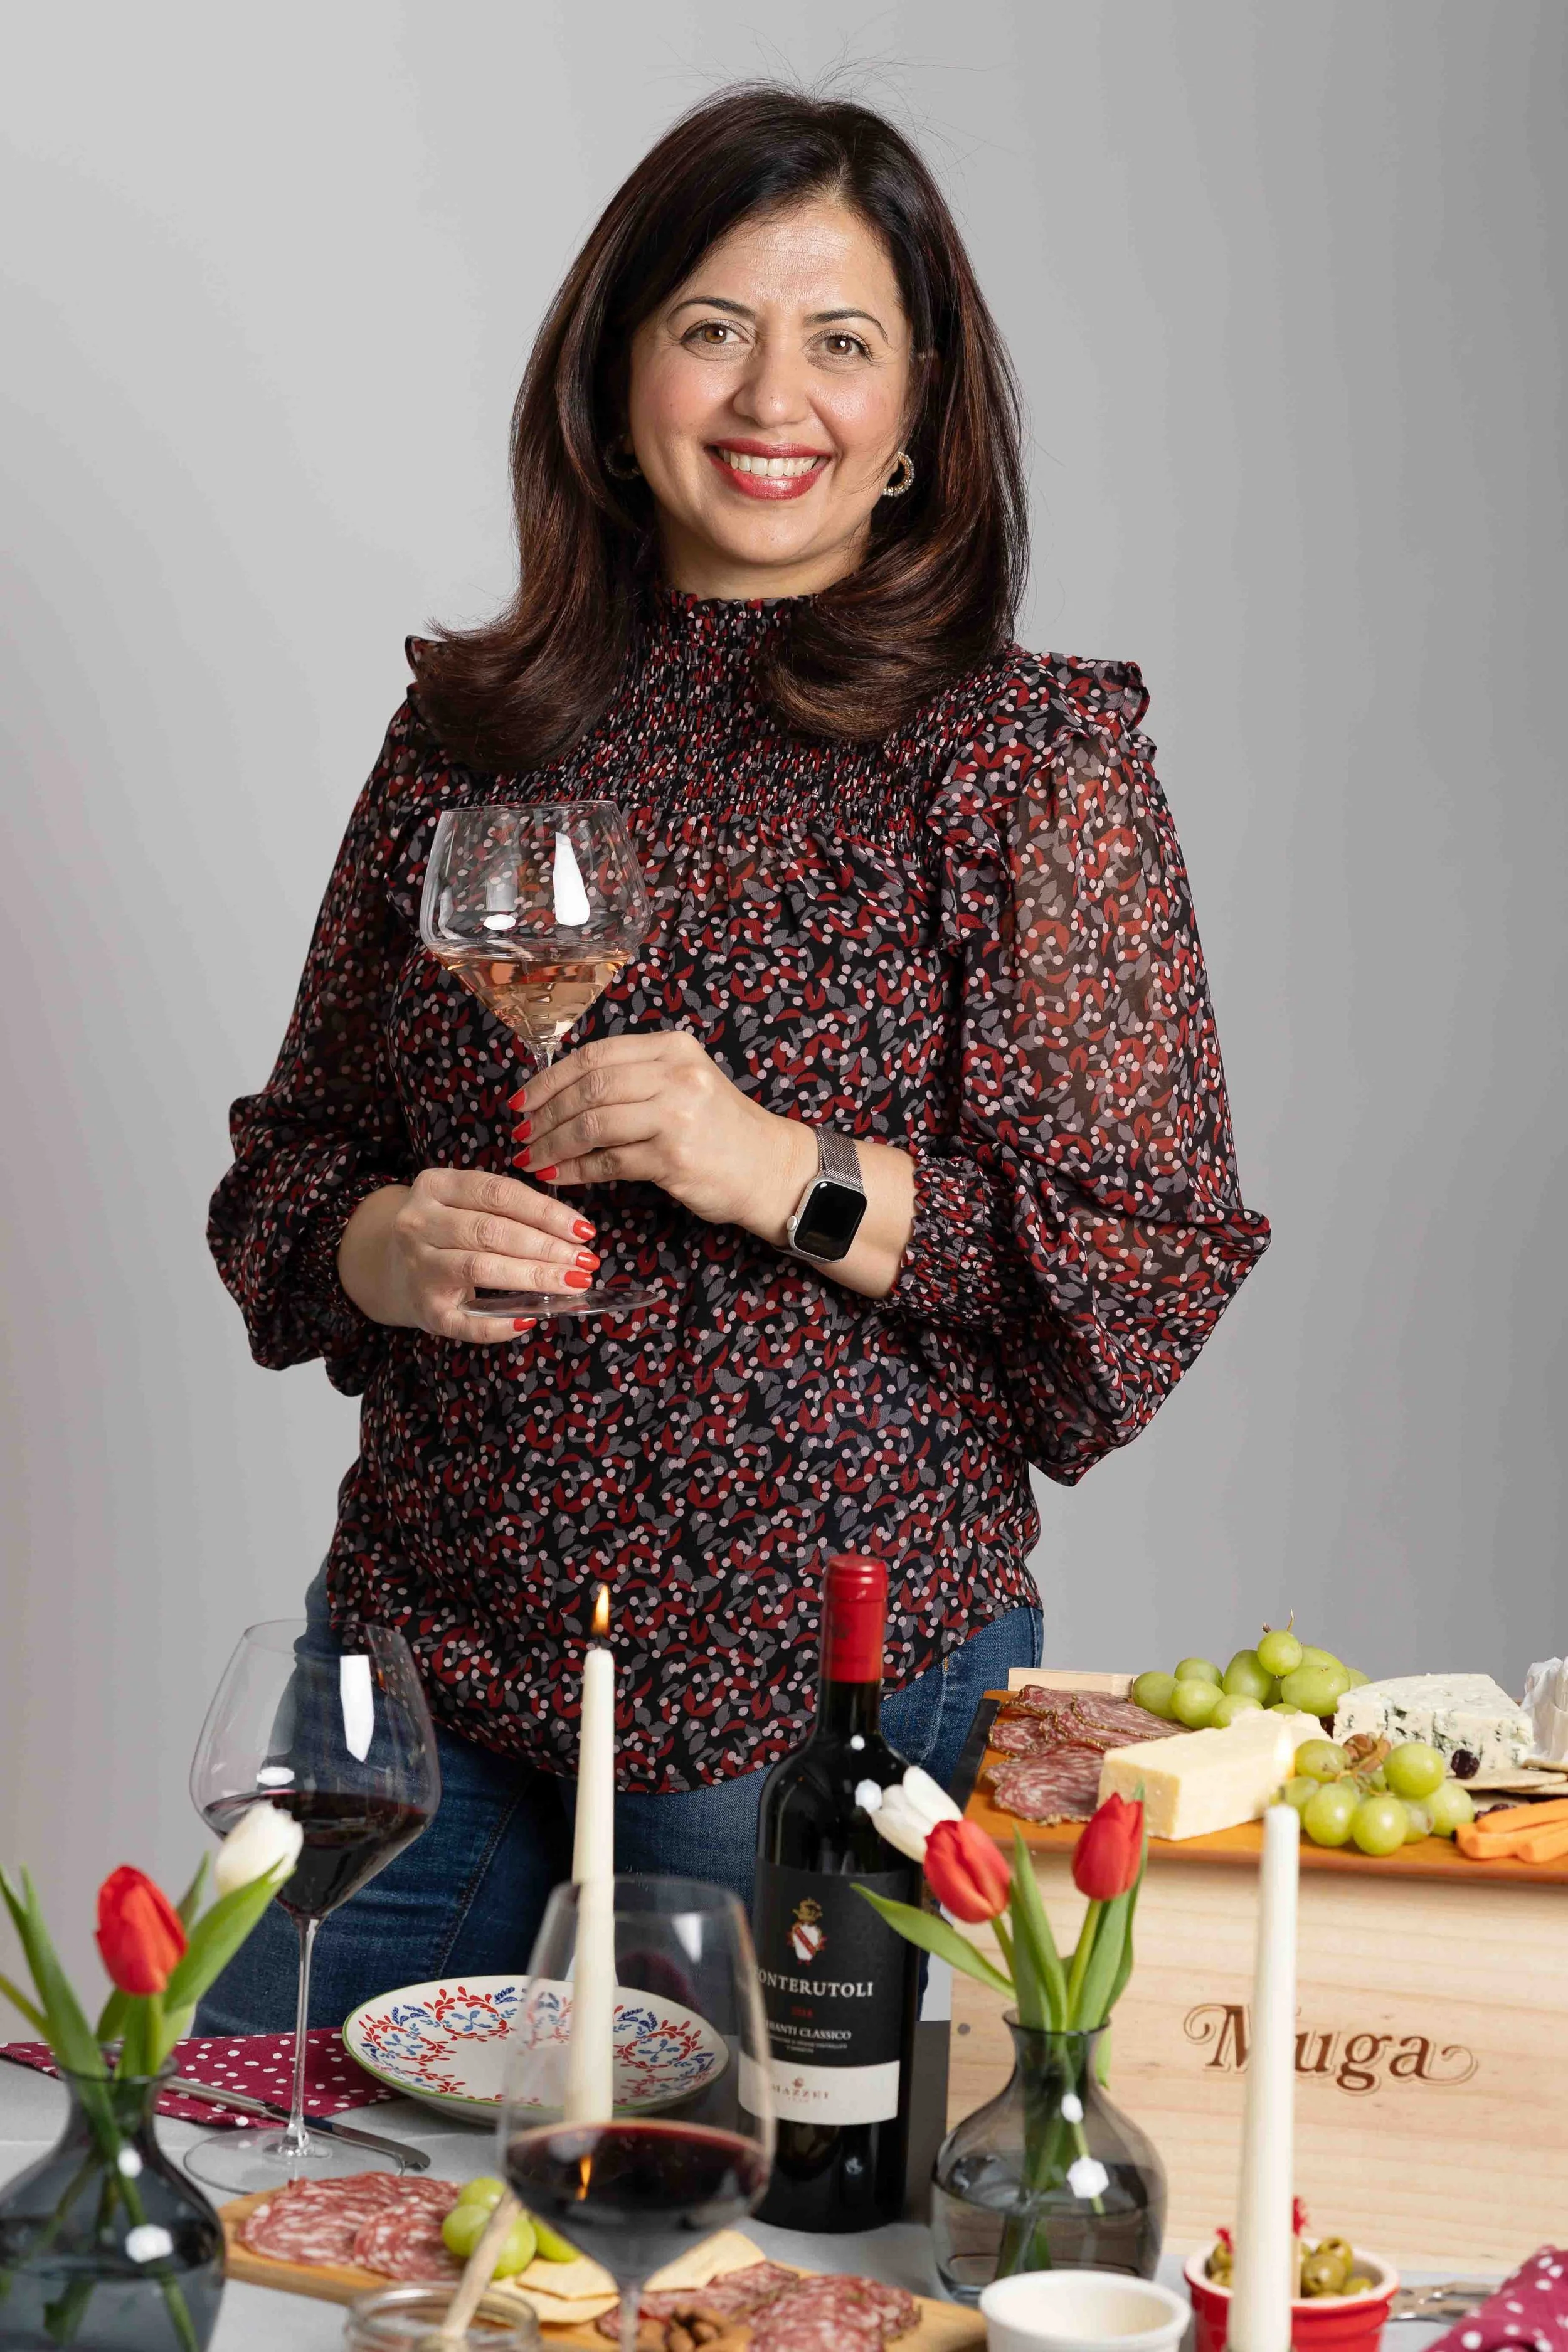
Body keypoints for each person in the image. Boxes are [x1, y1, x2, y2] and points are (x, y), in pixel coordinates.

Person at [201, 85, 1269, 2030]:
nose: (773, 394)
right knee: (255, 2168)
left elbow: (1143, 1249)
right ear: (617, 378)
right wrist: (382, 1247)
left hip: (806, 1686)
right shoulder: (470, 739)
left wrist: (780, 1163)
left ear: (919, 418)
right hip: (429, 1657)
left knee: (742, 2275)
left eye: (841, 341)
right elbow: (291, 1166)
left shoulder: (1025, 759)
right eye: (711, 327)